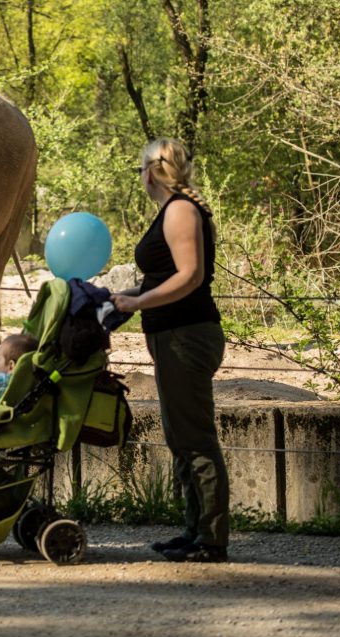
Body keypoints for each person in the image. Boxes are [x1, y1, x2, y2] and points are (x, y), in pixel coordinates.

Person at [111, 138, 229, 563]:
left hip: (186, 335)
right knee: (181, 436)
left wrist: (138, 303)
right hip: (172, 335)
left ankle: (212, 539)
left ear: (151, 171)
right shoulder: (174, 209)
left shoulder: (180, 209)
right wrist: (122, 297)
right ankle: (194, 532)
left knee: (194, 438)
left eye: (140, 169)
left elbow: (191, 276)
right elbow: (162, 276)